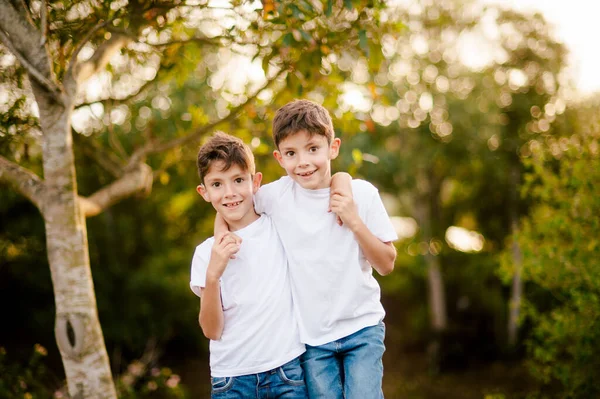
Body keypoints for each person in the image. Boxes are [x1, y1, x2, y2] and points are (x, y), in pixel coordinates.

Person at [253, 99, 399, 399]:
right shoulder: (274, 197)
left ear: (333, 147)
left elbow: (386, 264)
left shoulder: (362, 194)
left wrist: (355, 221)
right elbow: (230, 206)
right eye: (292, 153)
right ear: (279, 158)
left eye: (313, 149)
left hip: (363, 329)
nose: (303, 161)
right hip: (311, 339)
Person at [189, 132, 308, 399]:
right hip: (231, 379)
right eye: (217, 184)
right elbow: (211, 330)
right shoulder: (206, 253)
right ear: (204, 192)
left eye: (239, 180)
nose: (229, 193)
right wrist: (213, 275)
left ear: (256, 182)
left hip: (287, 371)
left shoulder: (278, 226)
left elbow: (316, 181)